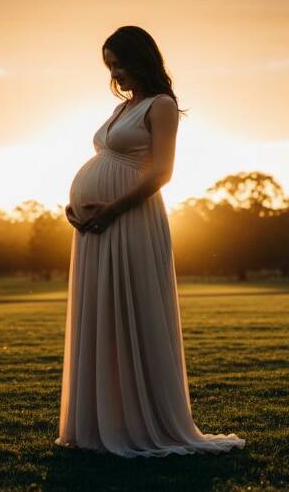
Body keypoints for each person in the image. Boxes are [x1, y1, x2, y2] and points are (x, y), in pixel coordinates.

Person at [54, 25, 246, 458]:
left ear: (141, 59)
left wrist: (111, 209)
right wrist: (77, 207)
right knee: (101, 314)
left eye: (120, 63)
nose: (115, 74)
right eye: (109, 66)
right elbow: (105, 160)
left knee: (132, 313)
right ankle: (101, 422)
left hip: (130, 222)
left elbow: (161, 173)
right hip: (95, 228)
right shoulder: (124, 108)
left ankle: (144, 422)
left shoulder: (161, 105)